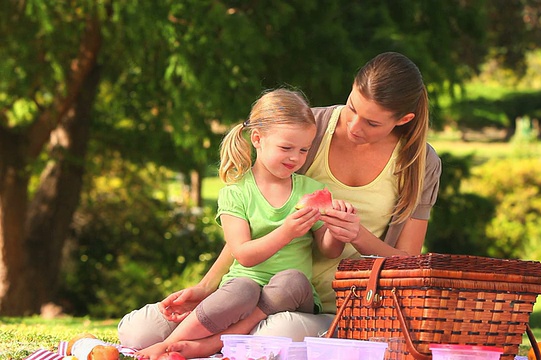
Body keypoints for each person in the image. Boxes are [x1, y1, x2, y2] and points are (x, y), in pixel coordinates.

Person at [118, 51, 442, 358]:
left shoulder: (419, 163)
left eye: (372, 123)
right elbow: (251, 217)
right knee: (138, 332)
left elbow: (409, 263)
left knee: (275, 333)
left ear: (404, 119)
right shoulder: (305, 130)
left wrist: (359, 236)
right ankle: (216, 336)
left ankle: (215, 341)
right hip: (251, 285)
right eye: (352, 107)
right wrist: (207, 286)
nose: (355, 126)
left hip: (333, 306)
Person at [134, 88, 352, 359]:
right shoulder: (235, 192)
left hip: (290, 297)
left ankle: (211, 345)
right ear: (258, 139)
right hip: (244, 286)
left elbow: (329, 250)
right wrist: (286, 231)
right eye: (286, 148)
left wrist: (338, 229)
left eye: (304, 150)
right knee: (241, 288)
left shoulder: (310, 189)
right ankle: (170, 344)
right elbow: (244, 255)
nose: (295, 158)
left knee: (292, 281)